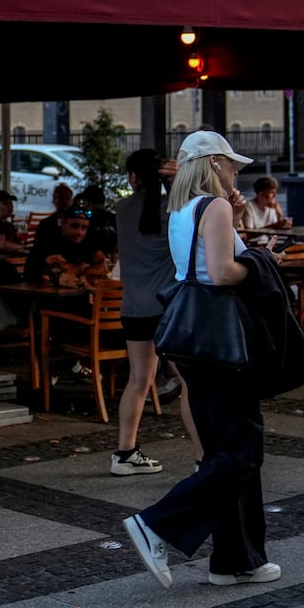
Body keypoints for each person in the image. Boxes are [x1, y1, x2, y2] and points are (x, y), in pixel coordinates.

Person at [123, 131, 278, 590]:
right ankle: (158, 523)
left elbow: (198, 264)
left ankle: (236, 559)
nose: (236, 172)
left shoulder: (181, 210)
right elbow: (224, 270)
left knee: (223, 451)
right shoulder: (213, 208)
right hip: (220, 340)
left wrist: (235, 218)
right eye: (230, 164)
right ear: (212, 163)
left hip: (193, 339)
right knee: (243, 448)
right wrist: (263, 261)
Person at [112, 150, 202, 477]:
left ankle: (124, 453)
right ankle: (202, 459)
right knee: (188, 381)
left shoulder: (121, 210)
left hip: (133, 308)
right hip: (168, 310)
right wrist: (179, 182)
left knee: (138, 380)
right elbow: (202, 218)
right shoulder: (175, 211)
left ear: (132, 178)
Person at [23, 205, 107, 283]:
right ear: (63, 223)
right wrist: (82, 267)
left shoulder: (87, 243)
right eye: (74, 226)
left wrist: (77, 270)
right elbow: (57, 272)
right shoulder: (49, 241)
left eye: (84, 228)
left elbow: (104, 268)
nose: (79, 232)